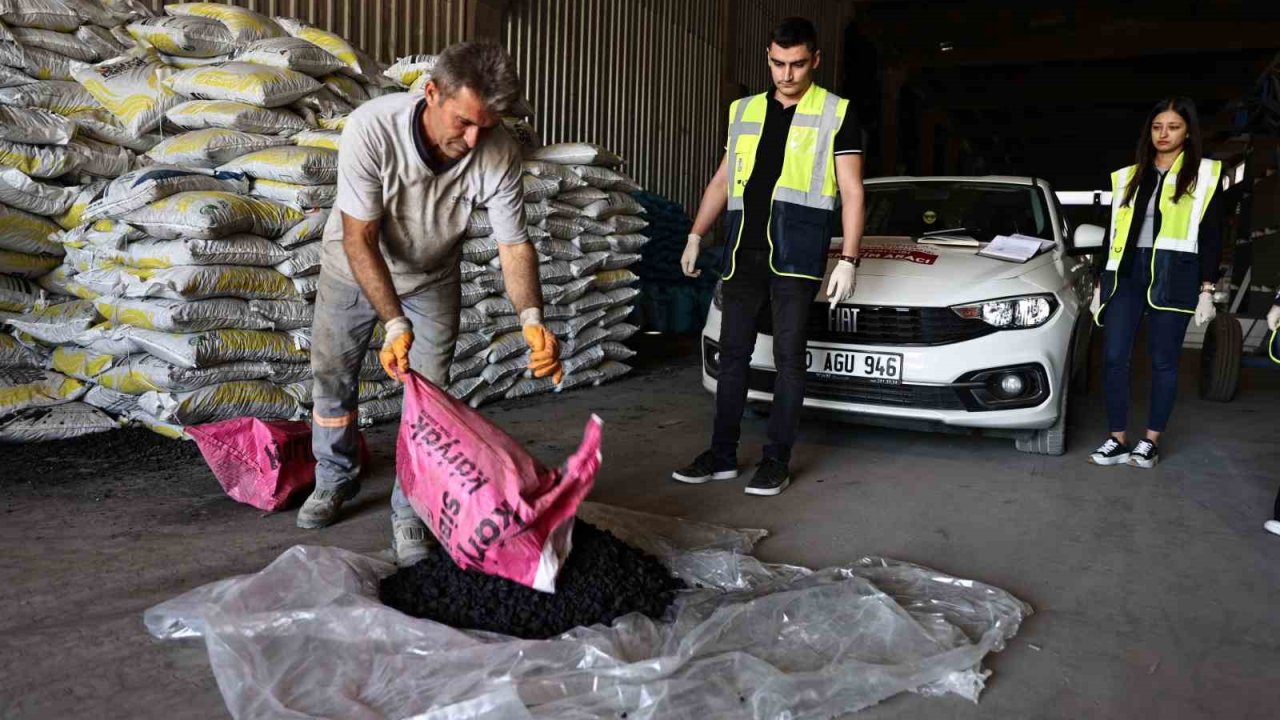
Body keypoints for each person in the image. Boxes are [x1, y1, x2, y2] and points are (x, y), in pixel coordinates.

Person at [298, 42, 563, 565]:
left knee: (430, 398)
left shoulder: (498, 147)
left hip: (434, 277)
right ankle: (334, 478)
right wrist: (393, 322)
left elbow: (513, 245)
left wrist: (532, 319)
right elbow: (359, 239)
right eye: (463, 122)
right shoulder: (372, 129)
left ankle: (409, 508)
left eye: (485, 126)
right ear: (431, 92)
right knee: (332, 376)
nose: (472, 140)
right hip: (353, 268)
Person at [673, 17, 865, 497]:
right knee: (733, 354)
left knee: (788, 359)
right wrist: (697, 233)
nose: (787, 74)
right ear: (768, 57)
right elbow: (722, 180)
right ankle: (721, 455)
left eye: (798, 64)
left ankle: (776, 460)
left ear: (815, 60)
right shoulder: (744, 111)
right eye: (778, 63)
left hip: (797, 255)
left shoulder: (836, 112)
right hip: (743, 251)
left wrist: (850, 259)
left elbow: (852, 191)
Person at [1087, 97, 1222, 469]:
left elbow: (1212, 236)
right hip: (1126, 275)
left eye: (1173, 127)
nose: (1163, 134)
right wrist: (1101, 281)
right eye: (1157, 126)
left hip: (1174, 275)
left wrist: (1207, 288)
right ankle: (1116, 438)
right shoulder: (1129, 175)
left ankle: (1150, 441)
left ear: (1188, 132)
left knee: (1164, 361)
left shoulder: (1205, 175)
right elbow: (1113, 232)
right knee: (1114, 357)